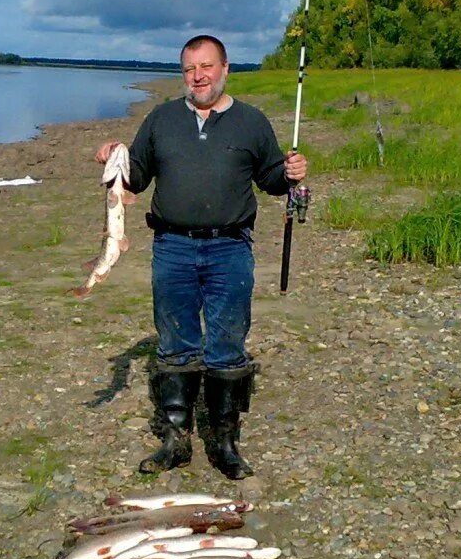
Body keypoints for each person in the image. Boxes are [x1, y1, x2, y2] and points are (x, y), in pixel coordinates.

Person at [94, 35, 307, 479]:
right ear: (183, 74)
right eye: (190, 69)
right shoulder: (161, 120)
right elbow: (134, 179)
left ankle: (225, 442)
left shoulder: (251, 122)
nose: (199, 76)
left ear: (225, 69)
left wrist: (290, 173)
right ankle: (175, 440)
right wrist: (112, 158)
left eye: (207, 67)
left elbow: (270, 179)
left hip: (230, 247)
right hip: (171, 246)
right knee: (174, 344)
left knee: (227, 345)